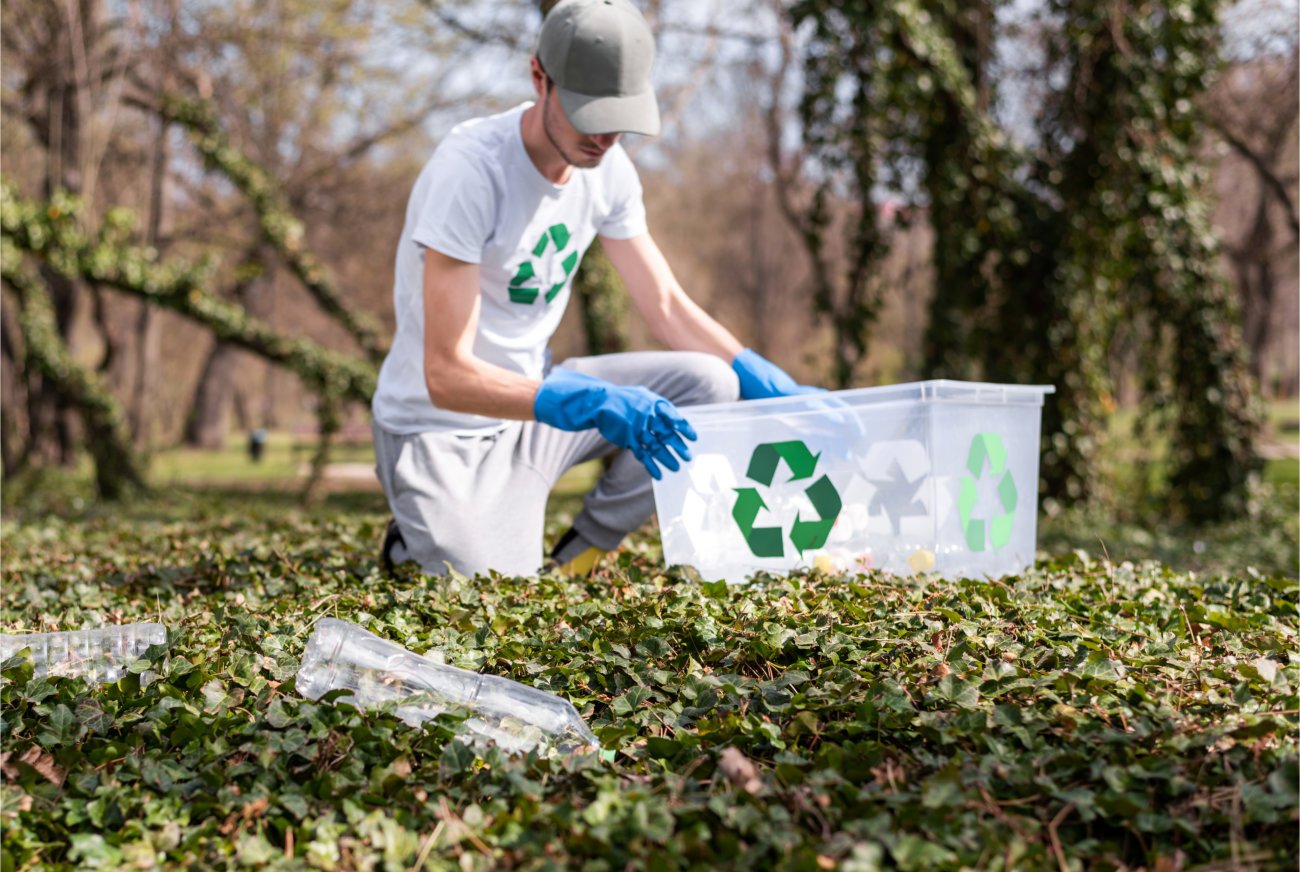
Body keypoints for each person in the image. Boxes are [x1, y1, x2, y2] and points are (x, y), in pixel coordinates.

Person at [371, 0, 819, 578]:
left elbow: (664, 305)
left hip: (534, 411)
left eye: (619, 115)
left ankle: (578, 553)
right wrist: (583, 402)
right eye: (587, 112)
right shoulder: (471, 172)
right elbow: (446, 376)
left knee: (710, 384)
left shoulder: (608, 171)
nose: (604, 136)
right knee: (488, 589)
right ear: (540, 78)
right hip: (437, 429)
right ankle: (410, 543)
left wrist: (759, 374)